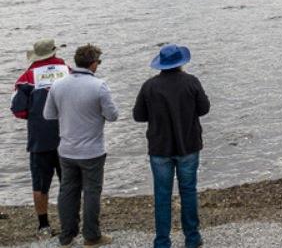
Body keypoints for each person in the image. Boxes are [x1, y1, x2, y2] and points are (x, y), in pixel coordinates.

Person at [133, 44, 210, 248]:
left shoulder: (149, 86)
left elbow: (138, 115)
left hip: (160, 148)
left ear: (161, 64)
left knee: (162, 195)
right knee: (188, 191)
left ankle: (162, 241)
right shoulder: (191, 82)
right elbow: (204, 109)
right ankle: (192, 238)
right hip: (188, 145)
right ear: (181, 63)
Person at [43, 44, 118, 248]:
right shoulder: (99, 86)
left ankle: (67, 236)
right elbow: (112, 116)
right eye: (98, 62)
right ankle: (92, 236)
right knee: (92, 192)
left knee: (67, 191)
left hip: (66, 149)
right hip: (92, 150)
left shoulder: (58, 85)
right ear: (93, 63)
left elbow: (48, 115)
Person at [10, 39, 70, 239]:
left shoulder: (26, 78)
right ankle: (70, 223)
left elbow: (18, 110)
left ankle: (44, 226)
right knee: (68, 183)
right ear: (54, 52)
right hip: (67, 136)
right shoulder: (68, 71)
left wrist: (35, 114)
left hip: (39, 139)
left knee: (40, 184)